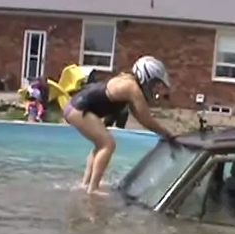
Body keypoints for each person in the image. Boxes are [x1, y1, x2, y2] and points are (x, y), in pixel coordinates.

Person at [63, 56, 175, 196]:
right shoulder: (132, 88)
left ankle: (87, 184)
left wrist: (163, 132)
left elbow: (139, 115)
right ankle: (93, 188)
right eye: (154, 83)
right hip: (78, 109)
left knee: (100, 144)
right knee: (108, 144)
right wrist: (167, 134)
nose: (154, 89)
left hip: (75, 106)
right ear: (146, 77)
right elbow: (146, 119)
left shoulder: (128, 82)